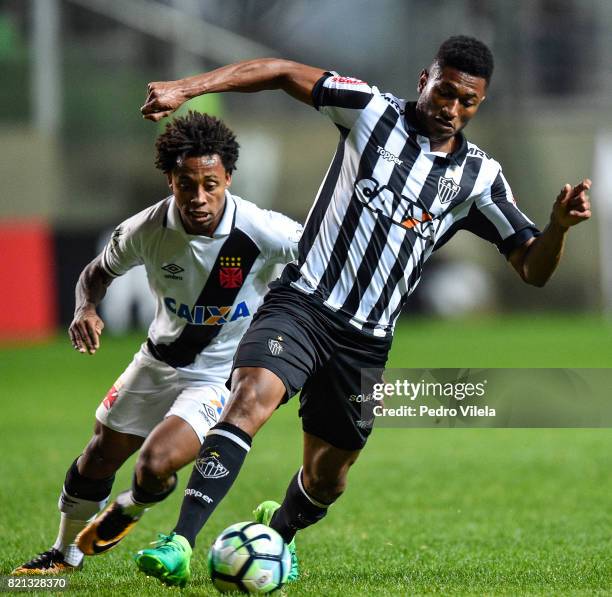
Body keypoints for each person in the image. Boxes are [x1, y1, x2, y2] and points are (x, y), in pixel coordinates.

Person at [135, 36, 592, 587]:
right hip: (303, 303)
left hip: (366, 341)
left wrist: (559, 229)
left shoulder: (480, 179)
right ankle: (179, 541)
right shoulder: (369, 110)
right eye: (445, 92)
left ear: (478, 104)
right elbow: (280, 70)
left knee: (328, 479)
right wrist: (189, 88)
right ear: (426, 80)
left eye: (467, 102)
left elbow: (532, 267)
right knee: (248, 401)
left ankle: (278, 530)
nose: (452, 109)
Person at [12, 112, 302, 575]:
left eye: (211, 183)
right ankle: (64, 554)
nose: (199, 197)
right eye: (187, 184)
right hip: (156, 360)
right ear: (171, 180)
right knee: (98, 456)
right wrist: (85, 309)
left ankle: (130, 505)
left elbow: (327, 257)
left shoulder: (265, 230)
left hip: (219, 376)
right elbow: (95, 274)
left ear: (228, 176)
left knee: (155, 462)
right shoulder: (145, 230)